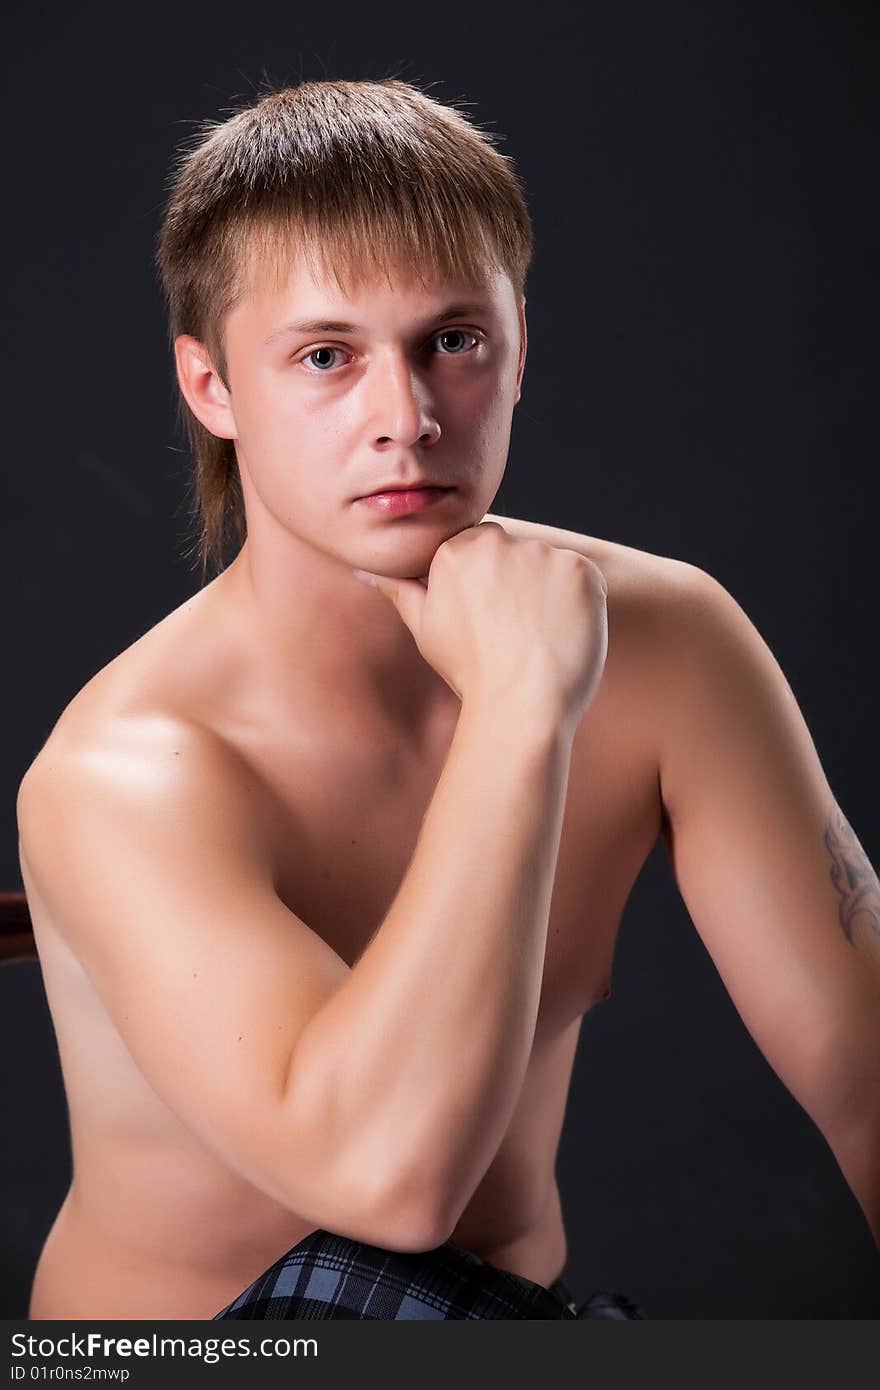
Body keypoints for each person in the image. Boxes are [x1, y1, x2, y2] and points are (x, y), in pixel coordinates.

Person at [15, 77, 879, 1321]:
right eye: (325, 357)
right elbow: (392, 1188)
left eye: (452, 341)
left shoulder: (668, 643)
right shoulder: (130, 771)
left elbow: (863, 1077)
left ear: (522, 344)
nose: (405, 419)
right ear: (210, 389)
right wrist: (523, 707)